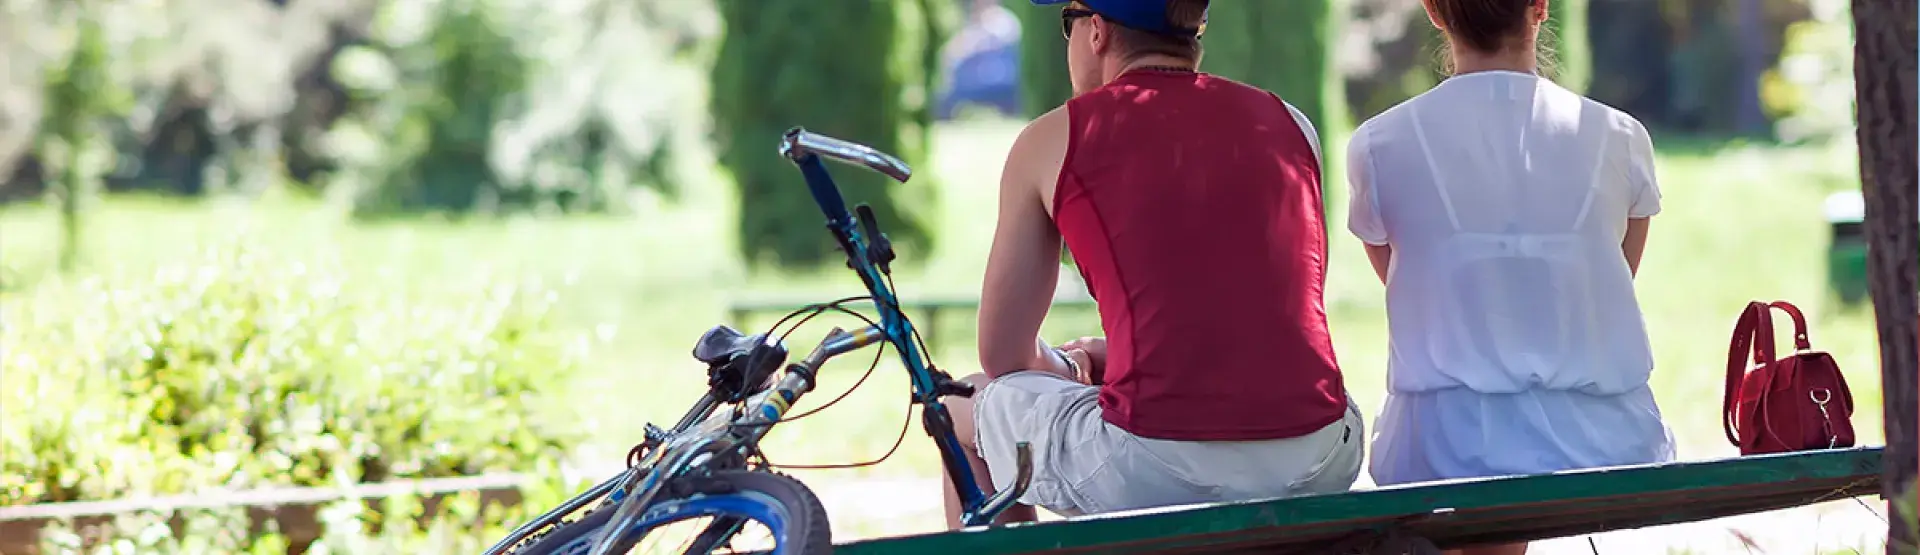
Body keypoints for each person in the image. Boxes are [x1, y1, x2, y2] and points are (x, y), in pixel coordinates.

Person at [940, 0, 1366, 529]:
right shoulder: (1291, 125)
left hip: (1154, 462)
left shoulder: (1053, 139)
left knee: (957, 404)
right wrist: (1121, 354)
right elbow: (1257, 320)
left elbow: (1005, 355)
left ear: (1095, 32)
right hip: (1323, 451)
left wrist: (1074, 370)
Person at [1345, 0, 1676, 553]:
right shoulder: (1620, 135)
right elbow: (1615, 272)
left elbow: (1407, 282)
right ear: (1540, 7)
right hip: (1606, 440)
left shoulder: (1380, 144)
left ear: (1434, 11)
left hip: (1443, 445)